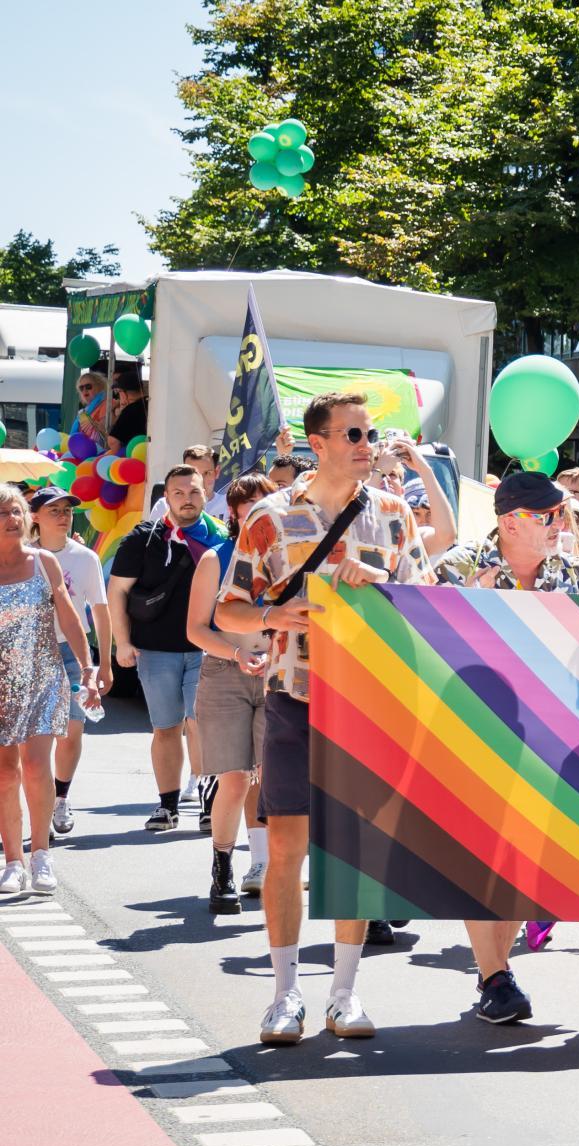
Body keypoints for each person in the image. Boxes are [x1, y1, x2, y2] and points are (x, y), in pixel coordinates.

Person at [215, 391, 434, 1046]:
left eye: (370, 433)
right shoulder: (270, 517)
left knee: (356, 853)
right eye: (355, 434)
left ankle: (344, 992)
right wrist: (272, 618)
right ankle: (285, 996)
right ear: (319, 442)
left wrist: (385, 592)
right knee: (285, 846)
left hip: (369, 704)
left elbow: (425, 607)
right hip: (295, 698)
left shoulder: (394, 513)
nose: (369, 444)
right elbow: (228, 611)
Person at [437, 471, 579, 1025]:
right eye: (549, 515)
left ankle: (495, 973)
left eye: (563, 514)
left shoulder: (577, 575)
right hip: (476, 730)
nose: (561, 524)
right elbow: (415, 639)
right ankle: (495, 978)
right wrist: (465, 608)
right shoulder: (458, 568)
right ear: (510, 521)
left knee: (522, 862)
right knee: (485, 857)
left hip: (552, 737)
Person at [108, 465, 224, 832]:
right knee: (166, 728)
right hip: (155, 651)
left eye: (193, 492)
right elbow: (118, 593)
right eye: (178, 493)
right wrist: (122, 643)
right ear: (166, 498)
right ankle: (168, 806)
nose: (187, 499)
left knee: (200, 724)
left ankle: (209, 804)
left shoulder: (223, 538)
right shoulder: (142, 540)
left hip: (208, 649)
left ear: (205, 494)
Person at [184, 474, 277, 916]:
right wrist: (235, 653)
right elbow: (196, 628)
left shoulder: (289, 560)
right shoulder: (215, 560)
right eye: (253, 507)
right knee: (235, 778)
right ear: (236, 515)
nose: (262, 515)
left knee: (268, 777)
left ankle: (262, 864)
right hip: (225, 672)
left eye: (270, 505)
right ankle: (223, 863)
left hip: (279, 673)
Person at [0, 485, 100, 895]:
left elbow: (71, 618)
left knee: (38, 767)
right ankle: (13, 862)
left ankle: (41, 854)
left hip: (43, 676)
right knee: (5, 774)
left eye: (17, 511)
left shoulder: (43, 563)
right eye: (3, 513)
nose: (12, 519)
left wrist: (90, 667)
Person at [27, 487, 112, 839]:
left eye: (67, 510)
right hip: (30, 653)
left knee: (71, 733)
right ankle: (39, 809)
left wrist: (104, 663)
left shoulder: (85, 558)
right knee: (34, 741)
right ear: (34, 517)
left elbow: (101, 612)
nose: (63, 516)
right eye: (54, 510)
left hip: (73, 655)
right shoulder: (22, 556)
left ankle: (61, 798)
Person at [148, 445, 229, 523]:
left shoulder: (229, 506)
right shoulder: (164, 506)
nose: (200, 480)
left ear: (217, 472)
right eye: (193, 474)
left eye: (207, 473)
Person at [102, 373, 148, 453]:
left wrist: (118, 457)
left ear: (123, 393)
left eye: (118, 392)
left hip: (133, 458)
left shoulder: (130, 410)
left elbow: (113, 441)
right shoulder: (152, 404)